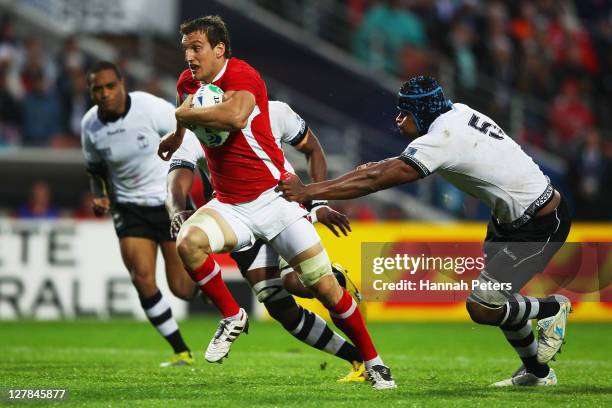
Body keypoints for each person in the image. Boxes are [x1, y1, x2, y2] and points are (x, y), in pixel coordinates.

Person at [278, 75, 572, 387]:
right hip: (512, 218)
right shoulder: (456, 114)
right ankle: (538, 372)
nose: (398, 119)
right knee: (499, 298)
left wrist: (310, 192)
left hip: (540, 222)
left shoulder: (444, 136)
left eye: (404, 112)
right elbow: (408, 160)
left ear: (422, 112)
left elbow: (377, 179)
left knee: (483, 307)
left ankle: (553, 307)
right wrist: (381, 165)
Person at [158, 15, 395, 389]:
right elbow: (180, 152)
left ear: (220, 50)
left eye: (196, 47)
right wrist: (177, 133)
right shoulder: (188, 85)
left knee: (317, 287)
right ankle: (233, 315)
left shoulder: (248, 81)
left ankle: (375, 361)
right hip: (231, 205)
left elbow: (236, 117)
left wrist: (316, 201)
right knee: (194, 245)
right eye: (185, 47)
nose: (188, 55)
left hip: (276, 200)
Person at [168, 101, 367, 382]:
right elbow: (176, 178)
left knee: (299, 284)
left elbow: (312, 148)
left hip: (279, 207)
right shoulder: (193, 131)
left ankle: (335, 278)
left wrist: (319, 202)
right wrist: (177, 210)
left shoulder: (271, 111)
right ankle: (357, 359)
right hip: (236, 217)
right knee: (279, 307)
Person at [80, 61, 196, 367]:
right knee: (142, 278)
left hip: (167, 203)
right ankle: (181, 351)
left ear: (122, 83)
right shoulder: (89, 126)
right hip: (128, 207)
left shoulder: (147, 107)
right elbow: (95, 170)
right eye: (97, 89)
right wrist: (100, 196)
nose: (104, 94)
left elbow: (185, 135)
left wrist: (186, 180)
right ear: (91, 92)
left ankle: (209, 288)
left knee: (182, 289)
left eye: (109, 86)